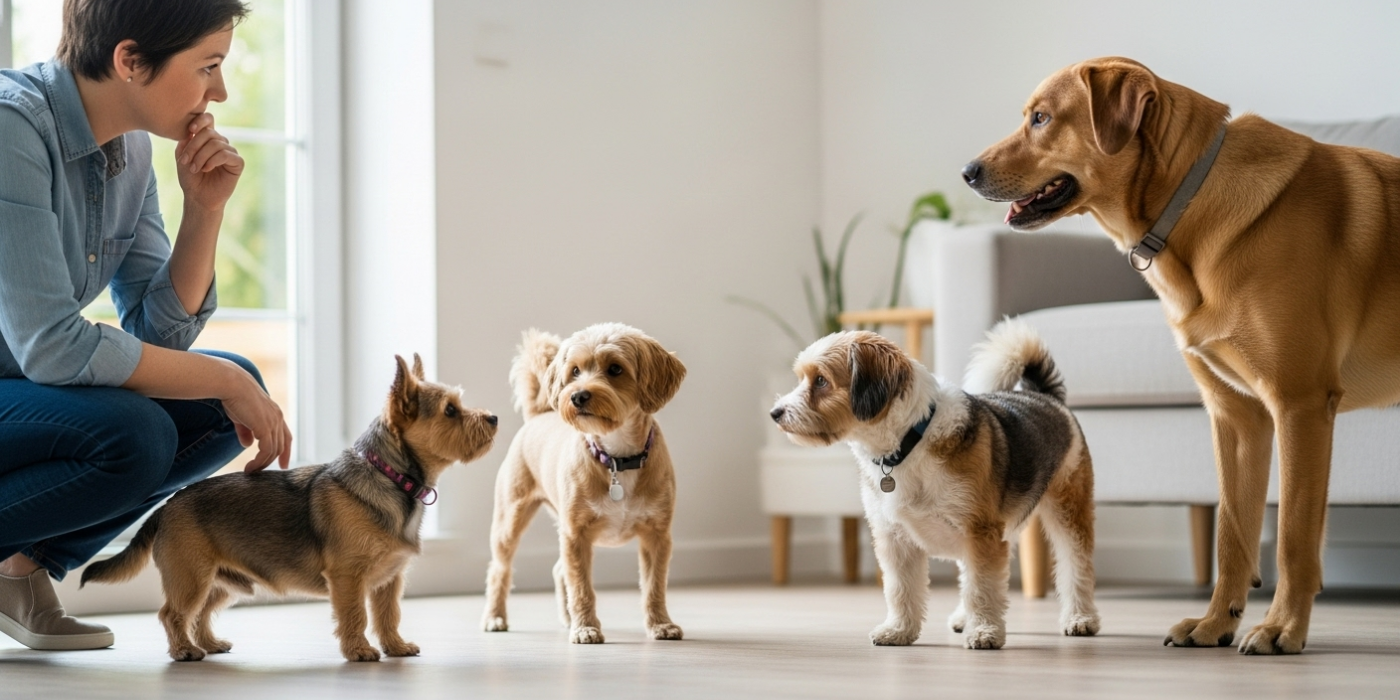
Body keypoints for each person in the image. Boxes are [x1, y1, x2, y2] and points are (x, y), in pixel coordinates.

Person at [0, 0, 292, 651]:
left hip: (14, 388)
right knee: (134, 433)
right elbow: (53, 347)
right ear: (130, 60)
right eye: (209, 66)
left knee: (223, 397)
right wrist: (215, 375)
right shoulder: (9, 127)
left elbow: (159, 339)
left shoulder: (128, 148)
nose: (220, 90)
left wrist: (206, 211)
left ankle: (18, 569)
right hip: (20, 379)